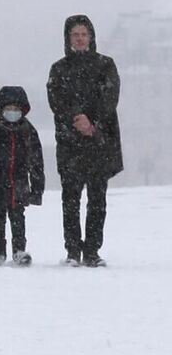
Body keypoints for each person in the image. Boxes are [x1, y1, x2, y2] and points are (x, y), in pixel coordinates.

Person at [48, 14, 123, 267]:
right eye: (74, 35)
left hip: (99, 141)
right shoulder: (58, 69)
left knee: (97, 199)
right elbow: (56, 101)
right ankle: (72, 250)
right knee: (70, 198)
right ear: (68, 39)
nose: (79, 39)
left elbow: (110, 97)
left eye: (83, 34)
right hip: (70, 143)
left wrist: (93, 123)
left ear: (91, 37)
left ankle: (92, 250)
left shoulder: (105, 65)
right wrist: (77, 119)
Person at [0, 85, 45, 266]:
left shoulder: (28, 131)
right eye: (8, 109)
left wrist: (37, 188)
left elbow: (36, 162)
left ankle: (19, 250)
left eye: (16, 109)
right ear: (1, 109)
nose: (12, 112)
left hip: (19, 184)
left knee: (18, 219)